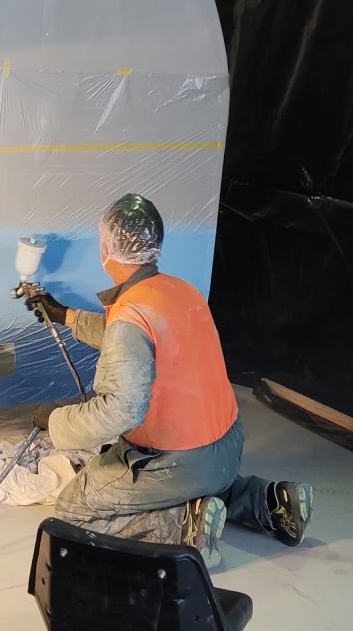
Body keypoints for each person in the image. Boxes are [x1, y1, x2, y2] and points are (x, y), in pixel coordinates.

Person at [26, 194, 311, 567]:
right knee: (207, 482)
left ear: (107, 248)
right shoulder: (180, 292)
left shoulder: (132, 316)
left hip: (179, 464)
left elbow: (120, 412)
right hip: (226, 449)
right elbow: (135, 340)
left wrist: (55, 421)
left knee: (73, 512)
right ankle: (271, 502)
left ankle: (184, 526)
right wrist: (65, 315)